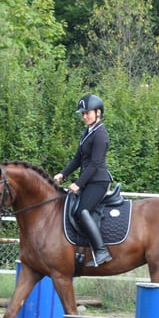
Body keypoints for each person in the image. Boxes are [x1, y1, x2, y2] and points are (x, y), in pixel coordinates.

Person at [53, 94, 113, 267]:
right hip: (89, 180)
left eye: (88, 113)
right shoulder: (87, 133)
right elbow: (77, 159)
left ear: (98, 112)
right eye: (83, 113)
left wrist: (78, 183)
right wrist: (62, 174)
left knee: (82, 211)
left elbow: (95, 164)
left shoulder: (101, 134)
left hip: (99, 181)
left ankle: (101, 251)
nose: (85, 116)